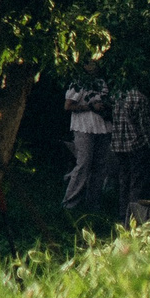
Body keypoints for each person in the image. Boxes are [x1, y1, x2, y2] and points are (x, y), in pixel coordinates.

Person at [62, 67, 114, 213]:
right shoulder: (79, 83)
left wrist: (105, 107)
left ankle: (93, 205)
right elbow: (68, 105)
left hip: (102, 127)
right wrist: (90, 106)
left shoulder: (102, 82)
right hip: (84, 127)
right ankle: (69, 204)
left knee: (100, 166)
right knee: (84, 163)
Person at [111, 83, 150, 220]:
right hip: (136, 146)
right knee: (136, 185)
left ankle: (123, 217)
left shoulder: (116, 95)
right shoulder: (140, 98)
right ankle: (133, 219)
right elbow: (146, 128)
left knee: (124, 184)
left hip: (119, 147)